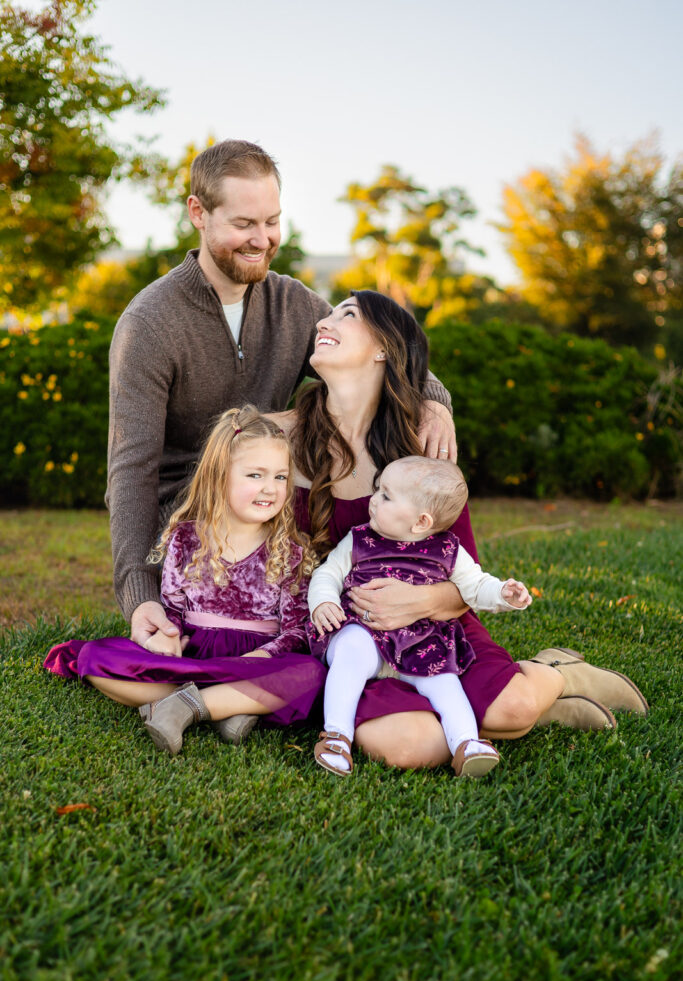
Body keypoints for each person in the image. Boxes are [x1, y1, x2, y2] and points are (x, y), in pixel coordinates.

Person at [268, 289, 648, 770]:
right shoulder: (275, 436)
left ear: (384, 348)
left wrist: (417, 602)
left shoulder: (420, 451)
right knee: (410, 748)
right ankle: (510, 714)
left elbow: (461, 573)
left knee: (511, 709)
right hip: (348, 637)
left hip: (434, 630)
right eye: (329, 312)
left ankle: (559, 674)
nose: (325, 321)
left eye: (347, 314)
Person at [106, 139, 455, 655]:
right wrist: (140, 596)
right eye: (244, 224)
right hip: (191, 534)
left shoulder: (292, 302)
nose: (262, 239)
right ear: (198, 214)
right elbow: (132, 469)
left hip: (276, 513)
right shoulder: (148, 323)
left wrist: (434, 399)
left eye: (272, 221)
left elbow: (372, 346)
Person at [44, 406, 326, 755]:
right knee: (94, 658)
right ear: (219, 475)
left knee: (311, 673)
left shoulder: (290, 549)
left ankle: (185, 707)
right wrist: (167, 635)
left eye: (280, 478)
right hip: (196, 655)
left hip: (257, 661)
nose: (270, 488)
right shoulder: (186, 538)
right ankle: (230, 706)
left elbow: (297, 631)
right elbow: (174, 609)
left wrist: (262, 656)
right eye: (255, 475)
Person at [308, 456, 532, 778]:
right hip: (363, 629)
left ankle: (467, 744)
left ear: (421, 522)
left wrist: (504, 595)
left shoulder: (448, 550)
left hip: (421, 644)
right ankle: (336, 737)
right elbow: (328, 573)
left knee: (444, 682)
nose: (373, 500)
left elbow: (475, 586)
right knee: (350, 657)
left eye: (385, 496)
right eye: (377, 489)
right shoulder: (360, 539)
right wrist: (323, 602)